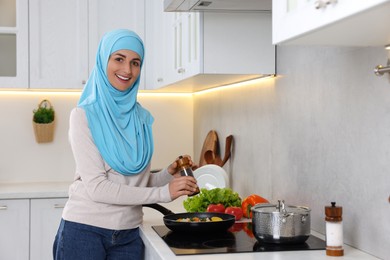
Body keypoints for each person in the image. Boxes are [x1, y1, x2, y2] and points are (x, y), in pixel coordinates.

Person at [53, 29, 199, 260]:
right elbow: (99, 188)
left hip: (129, 234)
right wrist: (163, 193)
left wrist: (168, 175)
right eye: (118, 59)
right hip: (84, 231)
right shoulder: (83, 115)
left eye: (135, 62)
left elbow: (135, 183)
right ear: (104, 61)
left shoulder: (141, 117)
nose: (127, 70)